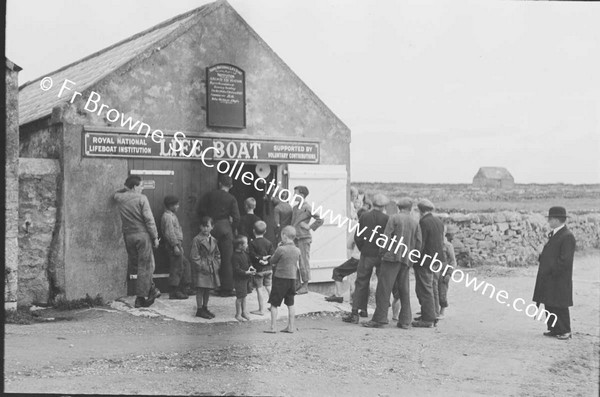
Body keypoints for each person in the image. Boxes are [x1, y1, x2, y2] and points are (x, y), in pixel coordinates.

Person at [363, 197, 421, 329]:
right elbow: (418, 243)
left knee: (384, 289)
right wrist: (412, 259)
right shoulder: (415, 222)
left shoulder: (394, 218)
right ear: (410, 208)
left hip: (391, 258)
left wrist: (382, 253)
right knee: (404, 290)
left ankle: (380, 319)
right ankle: (405, 321)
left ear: (398, 207)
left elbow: (386, 237)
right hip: (406, 259)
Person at [113, 175, 161, 308]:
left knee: (137, 266)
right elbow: (149, 220)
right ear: (134, 187)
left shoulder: (120, 198)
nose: (142, 188)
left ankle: (147, 293)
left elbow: (116, 193)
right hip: (142, 235)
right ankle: (146, 293)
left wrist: (126, 188)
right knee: (146, 266)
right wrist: (155, 237)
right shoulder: (142, 199)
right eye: (140, 186)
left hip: (128, 236)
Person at [342, 194, 389, 324]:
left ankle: (357, 311)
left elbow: (358, 236)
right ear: (384, 206)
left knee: (361, 282)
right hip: (380, 255)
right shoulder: (386, 219)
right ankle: (380, 313)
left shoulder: (364, 216)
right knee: (382, 283)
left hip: (366, 254)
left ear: (373, 204)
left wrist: (363, 249)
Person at [532, 206, 576, 340]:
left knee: (560, 304)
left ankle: (565, 330)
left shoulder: (567, 236)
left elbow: (565, 260)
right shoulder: (557, 233)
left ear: (556, 220)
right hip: (550, 276)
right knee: (549, 302)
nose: (549, 222)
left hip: (559, 277)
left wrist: (552, 270)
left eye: (550, 219)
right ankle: (554, 328)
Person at [197, 175, 240, 297]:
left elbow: (201, 211)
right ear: (230, 186)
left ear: (220, 183)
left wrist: (206, 224)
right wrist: (231, 228)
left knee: (208, 257)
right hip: (225, 227)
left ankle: (207, 286)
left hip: (211, 227)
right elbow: (236, 218)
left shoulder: (209, 195)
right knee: (227, 259)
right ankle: (226, 289)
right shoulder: (231, 198)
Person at [412, 198, 445, 328]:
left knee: (425, 289)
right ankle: (431, 313)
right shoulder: (438, 221)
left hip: (426, 260)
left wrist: (414, 259)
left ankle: (428, 319)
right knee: (433, 287)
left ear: (420, 210)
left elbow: (421, 243)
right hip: (438, 260)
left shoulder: (423, 222)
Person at [264, 226, 301, 334]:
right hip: (292, 279)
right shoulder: (297, 250)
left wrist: (277, 248)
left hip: (280, 279)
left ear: (284, 236)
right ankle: (291, 327)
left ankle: (273, 327)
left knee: (274, 303)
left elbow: (272, 261)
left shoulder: (281, 249)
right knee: (291, 303)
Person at [291, 185, 324, 294]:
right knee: (293, 261)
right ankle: (297, 284)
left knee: (303, 262)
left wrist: (309, 227)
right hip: (294, 238)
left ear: (301, 195)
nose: (293, 195)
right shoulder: (295, 208)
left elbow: (320, 219)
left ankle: (305, 286)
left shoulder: (308, 207)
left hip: (304, 239)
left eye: (295, 193)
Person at [190, 216, 221, 319]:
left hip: (211, 267)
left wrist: (216, 264)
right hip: (202, 268)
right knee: (200, 289)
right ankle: (199, 309)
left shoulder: (214, 240)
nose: (205, 229)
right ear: (200, 227)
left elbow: (217, 254)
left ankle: (205, 307)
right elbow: (194, 256)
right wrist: (202, 265)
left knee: (208, 289)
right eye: (203, 226)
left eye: (207, 226)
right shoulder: (197, 239)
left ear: (212, 227)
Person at [161, 195, 190, 300]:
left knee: (185, 264)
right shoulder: (167, 217)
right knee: (176, 268)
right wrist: (175, 246)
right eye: (176, 205)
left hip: (177, 245)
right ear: (170, 206)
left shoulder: (171, 215)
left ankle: (185, 288)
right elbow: (170, 233)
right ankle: (174, 292)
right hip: (173, 246)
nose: (178, 206)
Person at [249, 221, 275, 315]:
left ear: (253, 231)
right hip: (268, 268)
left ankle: (261, 310)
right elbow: (273, 255)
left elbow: (251, 255)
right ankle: (273, 307)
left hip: (259, 269)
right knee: (269, 287)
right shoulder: (269, 243)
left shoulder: (252, 243)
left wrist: (259, 259)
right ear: (265, 231)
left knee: (259, 289)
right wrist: (267, 261)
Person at [232, 235, 255, 322]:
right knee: (239, 297)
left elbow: (248, 262)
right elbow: (236, 270)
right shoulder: (235, 256)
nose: (247, 245)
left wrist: (251, 267)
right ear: (240, 246)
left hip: (245, 279)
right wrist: (246, 272)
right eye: (246, 243)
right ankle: (237, 314)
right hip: (239, 279)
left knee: (244, 296)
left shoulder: (245, 253)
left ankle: (244, 312)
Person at [437, 227, 457, 318]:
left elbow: (453, 261)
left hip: (444, 271)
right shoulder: (434, 244)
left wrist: (449, 273)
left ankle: (442, 312)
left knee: (442, 292)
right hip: (435, 270)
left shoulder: (448, 246)